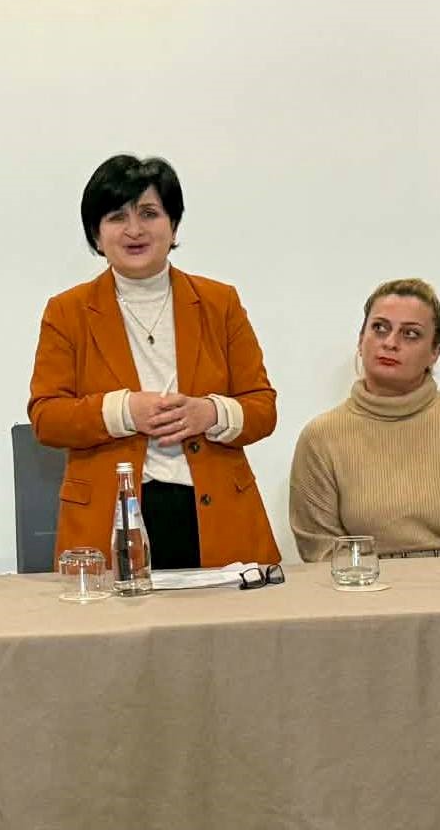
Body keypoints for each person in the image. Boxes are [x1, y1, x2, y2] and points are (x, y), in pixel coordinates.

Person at [28, 155, 281, 569]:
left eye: (149, 213)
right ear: (96, 234)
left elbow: (263, 409)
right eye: (117, 217)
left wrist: (209, 412)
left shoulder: (220, 303)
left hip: (215, 514)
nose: (134, 230)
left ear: (174, 226)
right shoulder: (67, 311)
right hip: (110, 518)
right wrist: (125, 410)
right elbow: (47, 417)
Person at [288, 279, 440, 562]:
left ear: (435, 352)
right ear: (360, 340)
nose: (390, 343)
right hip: (363, 585)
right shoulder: (321, 438)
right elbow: (320, 550)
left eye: (410, 334)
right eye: (379, 328)